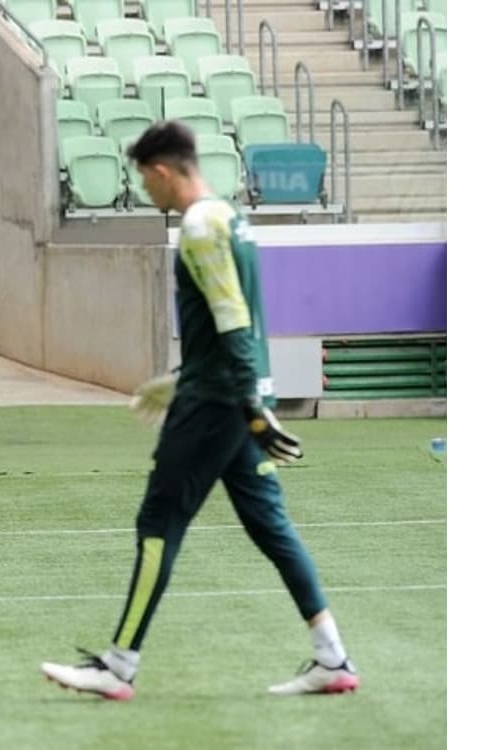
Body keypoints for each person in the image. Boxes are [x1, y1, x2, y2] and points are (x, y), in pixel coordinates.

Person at [39, 122, 359, 699]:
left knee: (157, 525)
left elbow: (232, 316)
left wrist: (248, 407)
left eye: (144, 181)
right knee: (270, 525)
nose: (145, 193)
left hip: (216, 407)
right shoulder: (231, 217)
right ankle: (332, 656)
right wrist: (196, 381)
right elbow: (232, 321)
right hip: (226, 398)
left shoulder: (198, 224)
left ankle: (118, 666)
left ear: (163, 171)